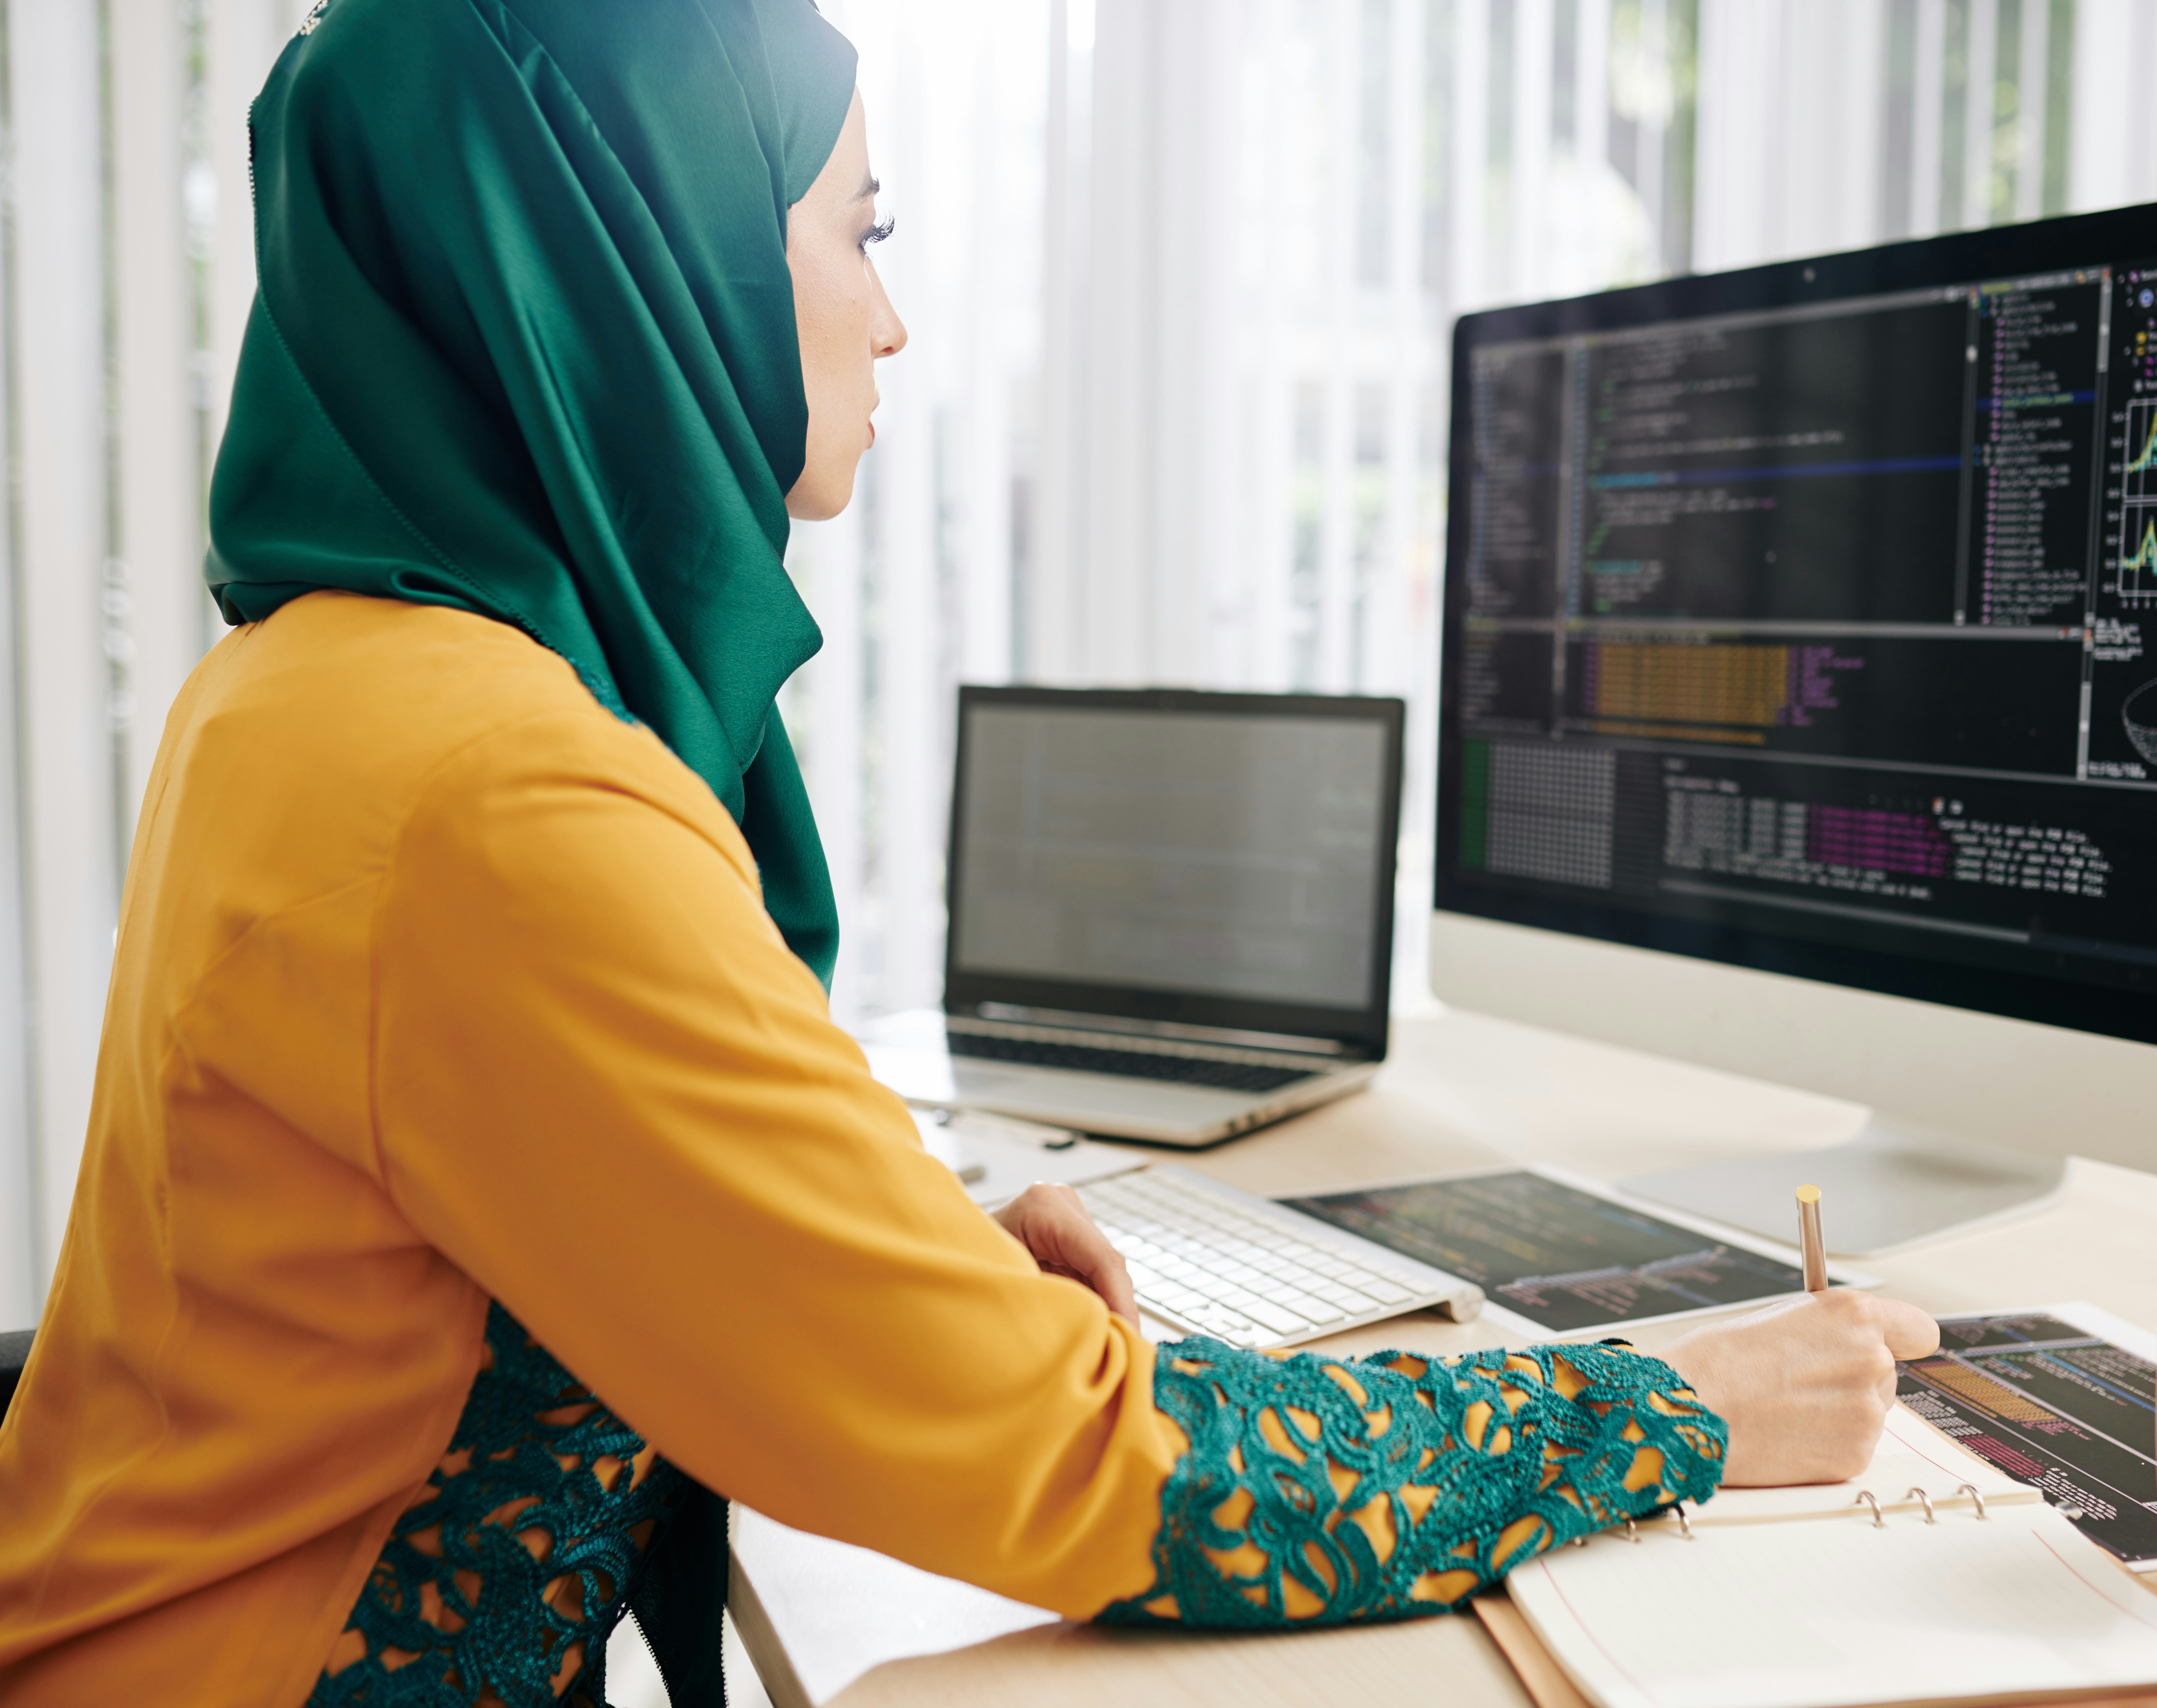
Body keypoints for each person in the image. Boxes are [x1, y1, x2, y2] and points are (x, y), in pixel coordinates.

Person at [0, 3, 1938, 1704]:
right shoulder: (497, 793)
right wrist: (1676, 1405)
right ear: (635, 252)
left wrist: (871, 1244)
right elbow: (1099, 1476)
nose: (893, 314)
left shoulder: (314, 683)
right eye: (860, 229)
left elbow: (492, 1198)